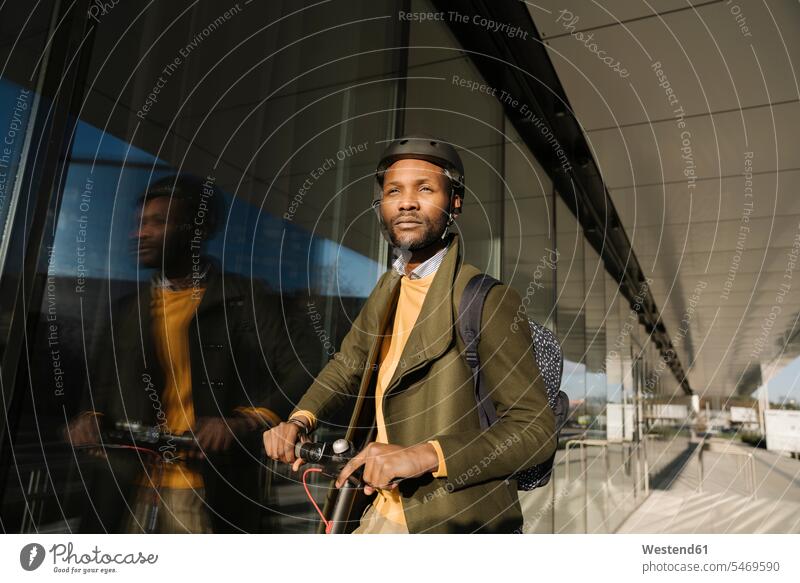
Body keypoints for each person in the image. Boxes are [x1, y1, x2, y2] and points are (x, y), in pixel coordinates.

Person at [263, 135, 556, 533]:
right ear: (381, 205)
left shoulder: (486, 299)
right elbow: (347, 364)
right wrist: (299, 419)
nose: (406, 202)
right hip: (375, 511)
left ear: (455, 203)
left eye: (425, 189)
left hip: (449, 523)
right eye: (393, 191)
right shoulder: (389, 288)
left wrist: (426, 455)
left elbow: (535, 430)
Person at [65, 174, 315, 533]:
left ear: (198, 229)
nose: (141, 233)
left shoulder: (245, 300)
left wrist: (245, 420)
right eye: (139, 223)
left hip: (201, 491)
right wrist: (90, 415)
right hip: (123, 488)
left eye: (158, 221)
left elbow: (300, 370)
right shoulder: (127, 310)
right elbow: (101, 384)